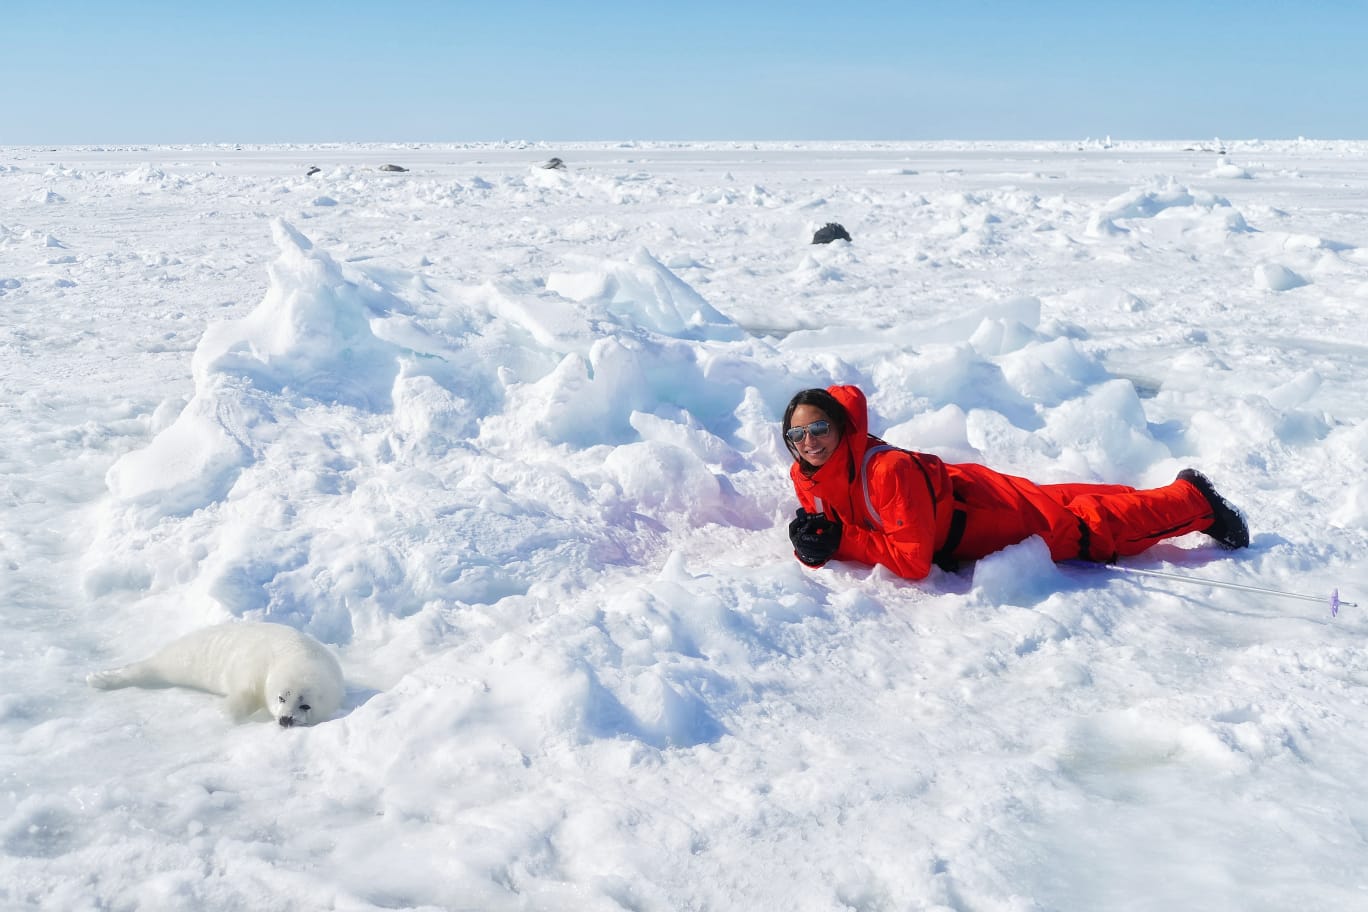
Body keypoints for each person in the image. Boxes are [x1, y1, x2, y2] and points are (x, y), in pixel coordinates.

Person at [784, 385, 1249, 580]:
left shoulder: (886, 471)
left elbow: (912, 561)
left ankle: (1195, 501)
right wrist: (811, 539)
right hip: (958, 494)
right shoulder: (807, 474)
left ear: (844, 426)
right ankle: (1161, 496)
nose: (810, 442)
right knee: (1060, 501)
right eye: (798, 434)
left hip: (984, 519)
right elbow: (836, 522)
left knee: (1084, 527)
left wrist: (840, 544)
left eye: (820, 428)